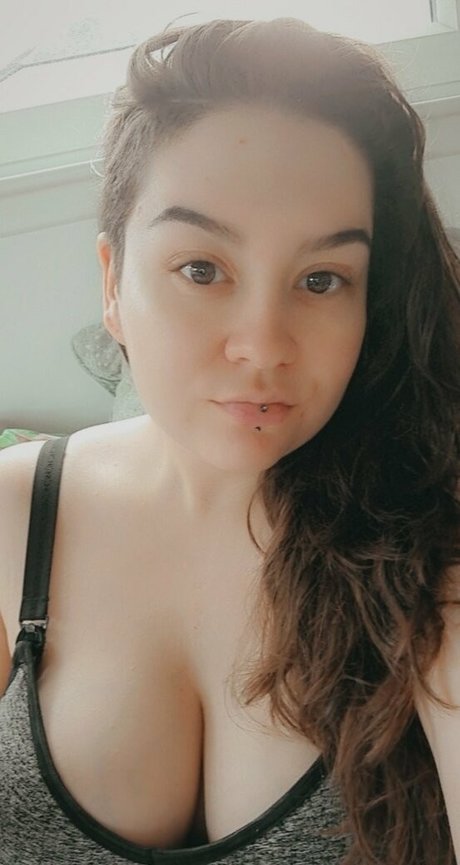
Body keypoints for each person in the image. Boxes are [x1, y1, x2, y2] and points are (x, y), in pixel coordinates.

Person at [0, 15, 459, 865]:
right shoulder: (15, 514)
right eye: (202, 269)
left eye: (321, 279)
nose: (262, 344)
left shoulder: (431, 543)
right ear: (113, 282)